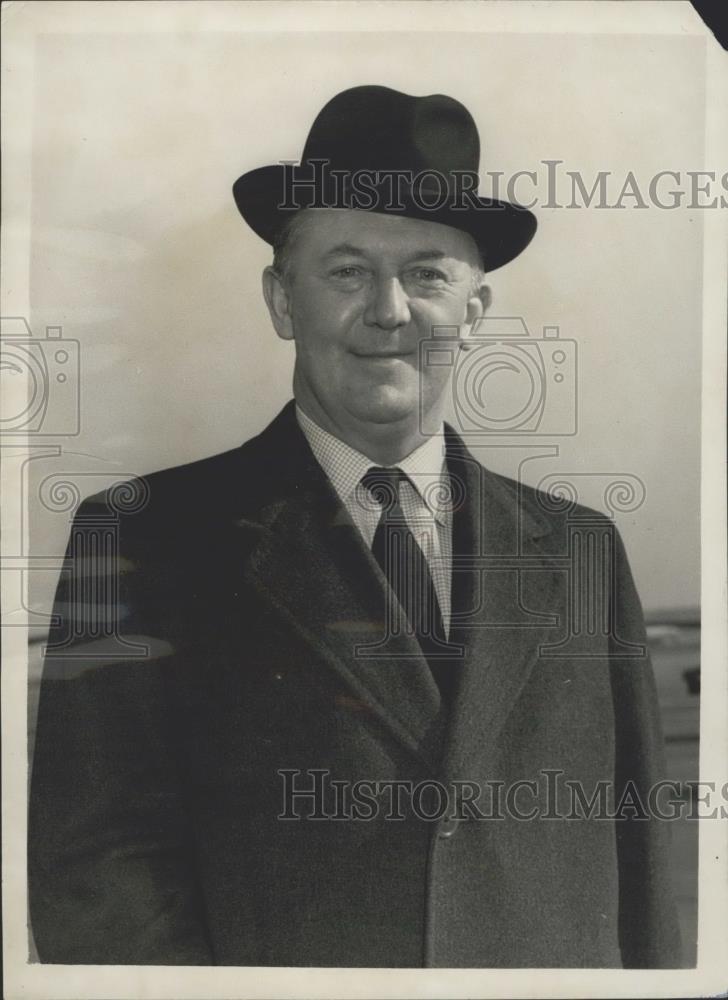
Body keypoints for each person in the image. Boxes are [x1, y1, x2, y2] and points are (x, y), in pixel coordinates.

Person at [28, 85, 681, 968]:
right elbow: (95, 880)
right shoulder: (144, 541)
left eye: (426, 274)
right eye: (347, 271)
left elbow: (639, 872)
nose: (389, 310)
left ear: (474, 312)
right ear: (281, 301)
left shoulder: (582, 548)